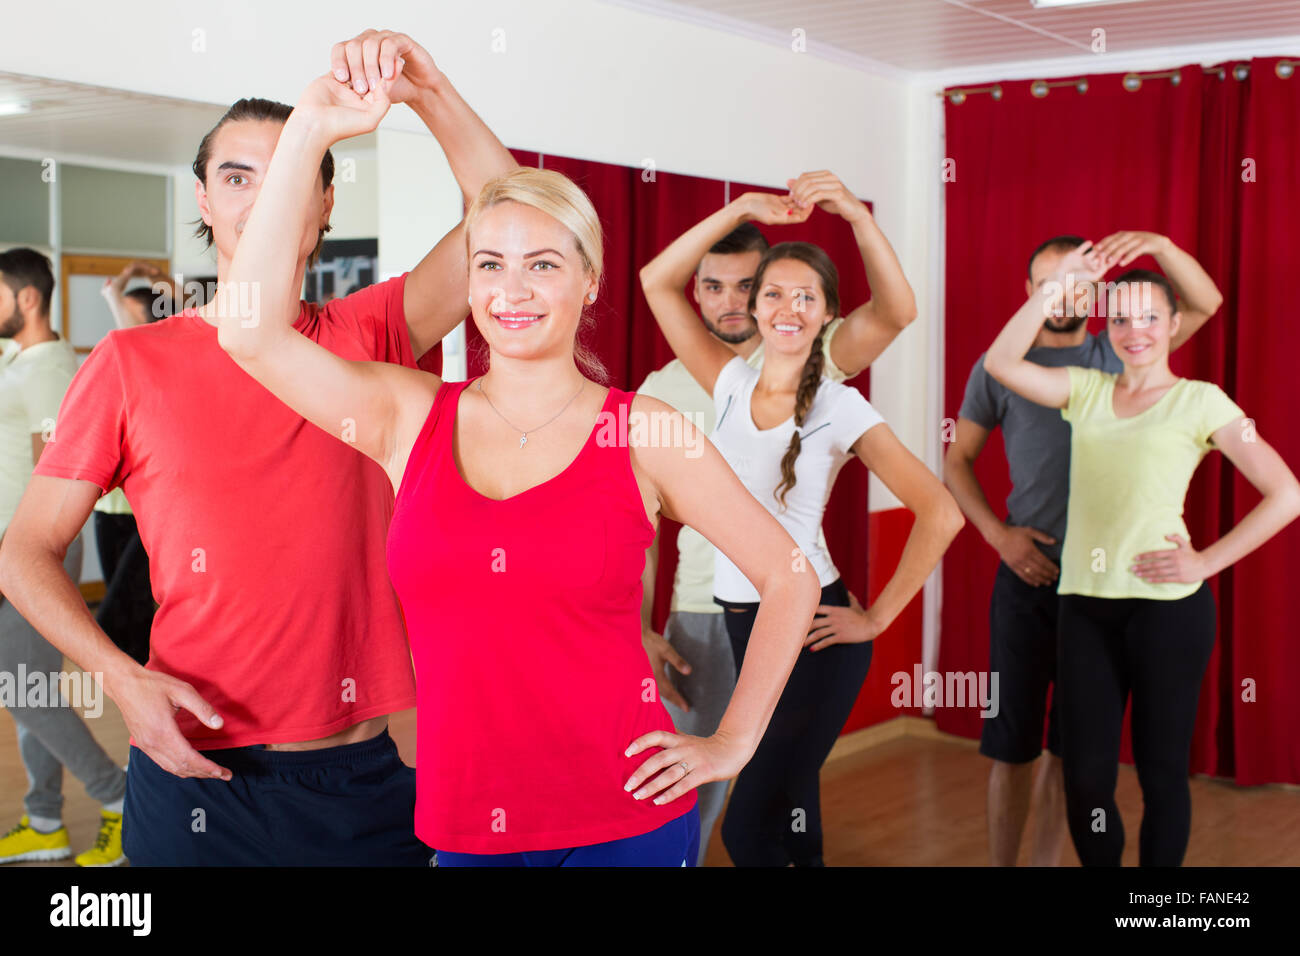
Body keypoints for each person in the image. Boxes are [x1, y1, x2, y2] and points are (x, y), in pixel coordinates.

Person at [213, 69, 824, 866]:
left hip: (629, 816)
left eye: (542, 264)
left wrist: (731, 742)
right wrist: (311, 128)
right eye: (490, 264)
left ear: (589, 280)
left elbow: (790, 575)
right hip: (466, 820)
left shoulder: (643, 431)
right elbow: (248, 333)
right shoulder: (409, 415)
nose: (512, 290)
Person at [0, 29, 517, 866]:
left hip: (363, 779)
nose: (258, 196)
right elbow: (24, 550)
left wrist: (429, 89)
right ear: (204, 201)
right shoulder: (130, 363)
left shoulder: (375, 327)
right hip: (194, 772)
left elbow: (508, 215)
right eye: (236, 176)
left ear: (325, 204)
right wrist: (118, 676)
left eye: (286, 173)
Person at [645, 191, 964, 866]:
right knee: (787, 818)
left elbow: (942, 511)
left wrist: (875, 619)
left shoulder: (838, 403)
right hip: (737, 616)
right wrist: (738, 210)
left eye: (807, 298)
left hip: (812, 627)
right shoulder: (728, 382)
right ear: (754, 305)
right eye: (774, 295)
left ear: (825, 313)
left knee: (751, 828)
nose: (788, 309)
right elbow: (655, 281)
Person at [982, 242, 1300, 866]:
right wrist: (1061, 285)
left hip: (1168, 612)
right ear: (1106, 325)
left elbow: (1286, 492)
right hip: (1084, 609)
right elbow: (1000, 361)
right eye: (1121, 318)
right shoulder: (1085, 390)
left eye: (1150, 317)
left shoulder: (1202, 401)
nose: (1136, 331)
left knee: (1161, 775)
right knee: (1087, 779)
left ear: (1174, 325)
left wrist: (1206, 562)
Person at [945, 231, 1224, 865]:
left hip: (1105, 587)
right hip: (1029, 573)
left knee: (1072, 752)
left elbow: (1205, 302)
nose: (1065, 294)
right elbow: (956, 459)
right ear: (1031, 292)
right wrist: (999, 536)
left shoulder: (1124, 352)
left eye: (1077, 282)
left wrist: (1158, 242)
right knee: (1011, 743)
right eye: (1051, 282)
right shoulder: (1003, 366)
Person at [0, 248, 128, 866]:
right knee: (32, 687)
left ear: (26, 299)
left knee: (21, 689)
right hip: (11, 549)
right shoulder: (18, 360)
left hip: (30, 548)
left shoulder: (48, 370)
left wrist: (19, 557)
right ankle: (45, 819)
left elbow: (55, 476)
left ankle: (118, 798)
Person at [90, 262, 179, 666]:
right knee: (122, 605)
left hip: (146, 512)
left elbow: (178, 311)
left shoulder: (164, 364)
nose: (117, 318)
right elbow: (113, 293)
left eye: (127, 310)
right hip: (109, 508)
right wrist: (141, 273)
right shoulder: (123, 361)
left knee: (132, 615)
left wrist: (160, 280)